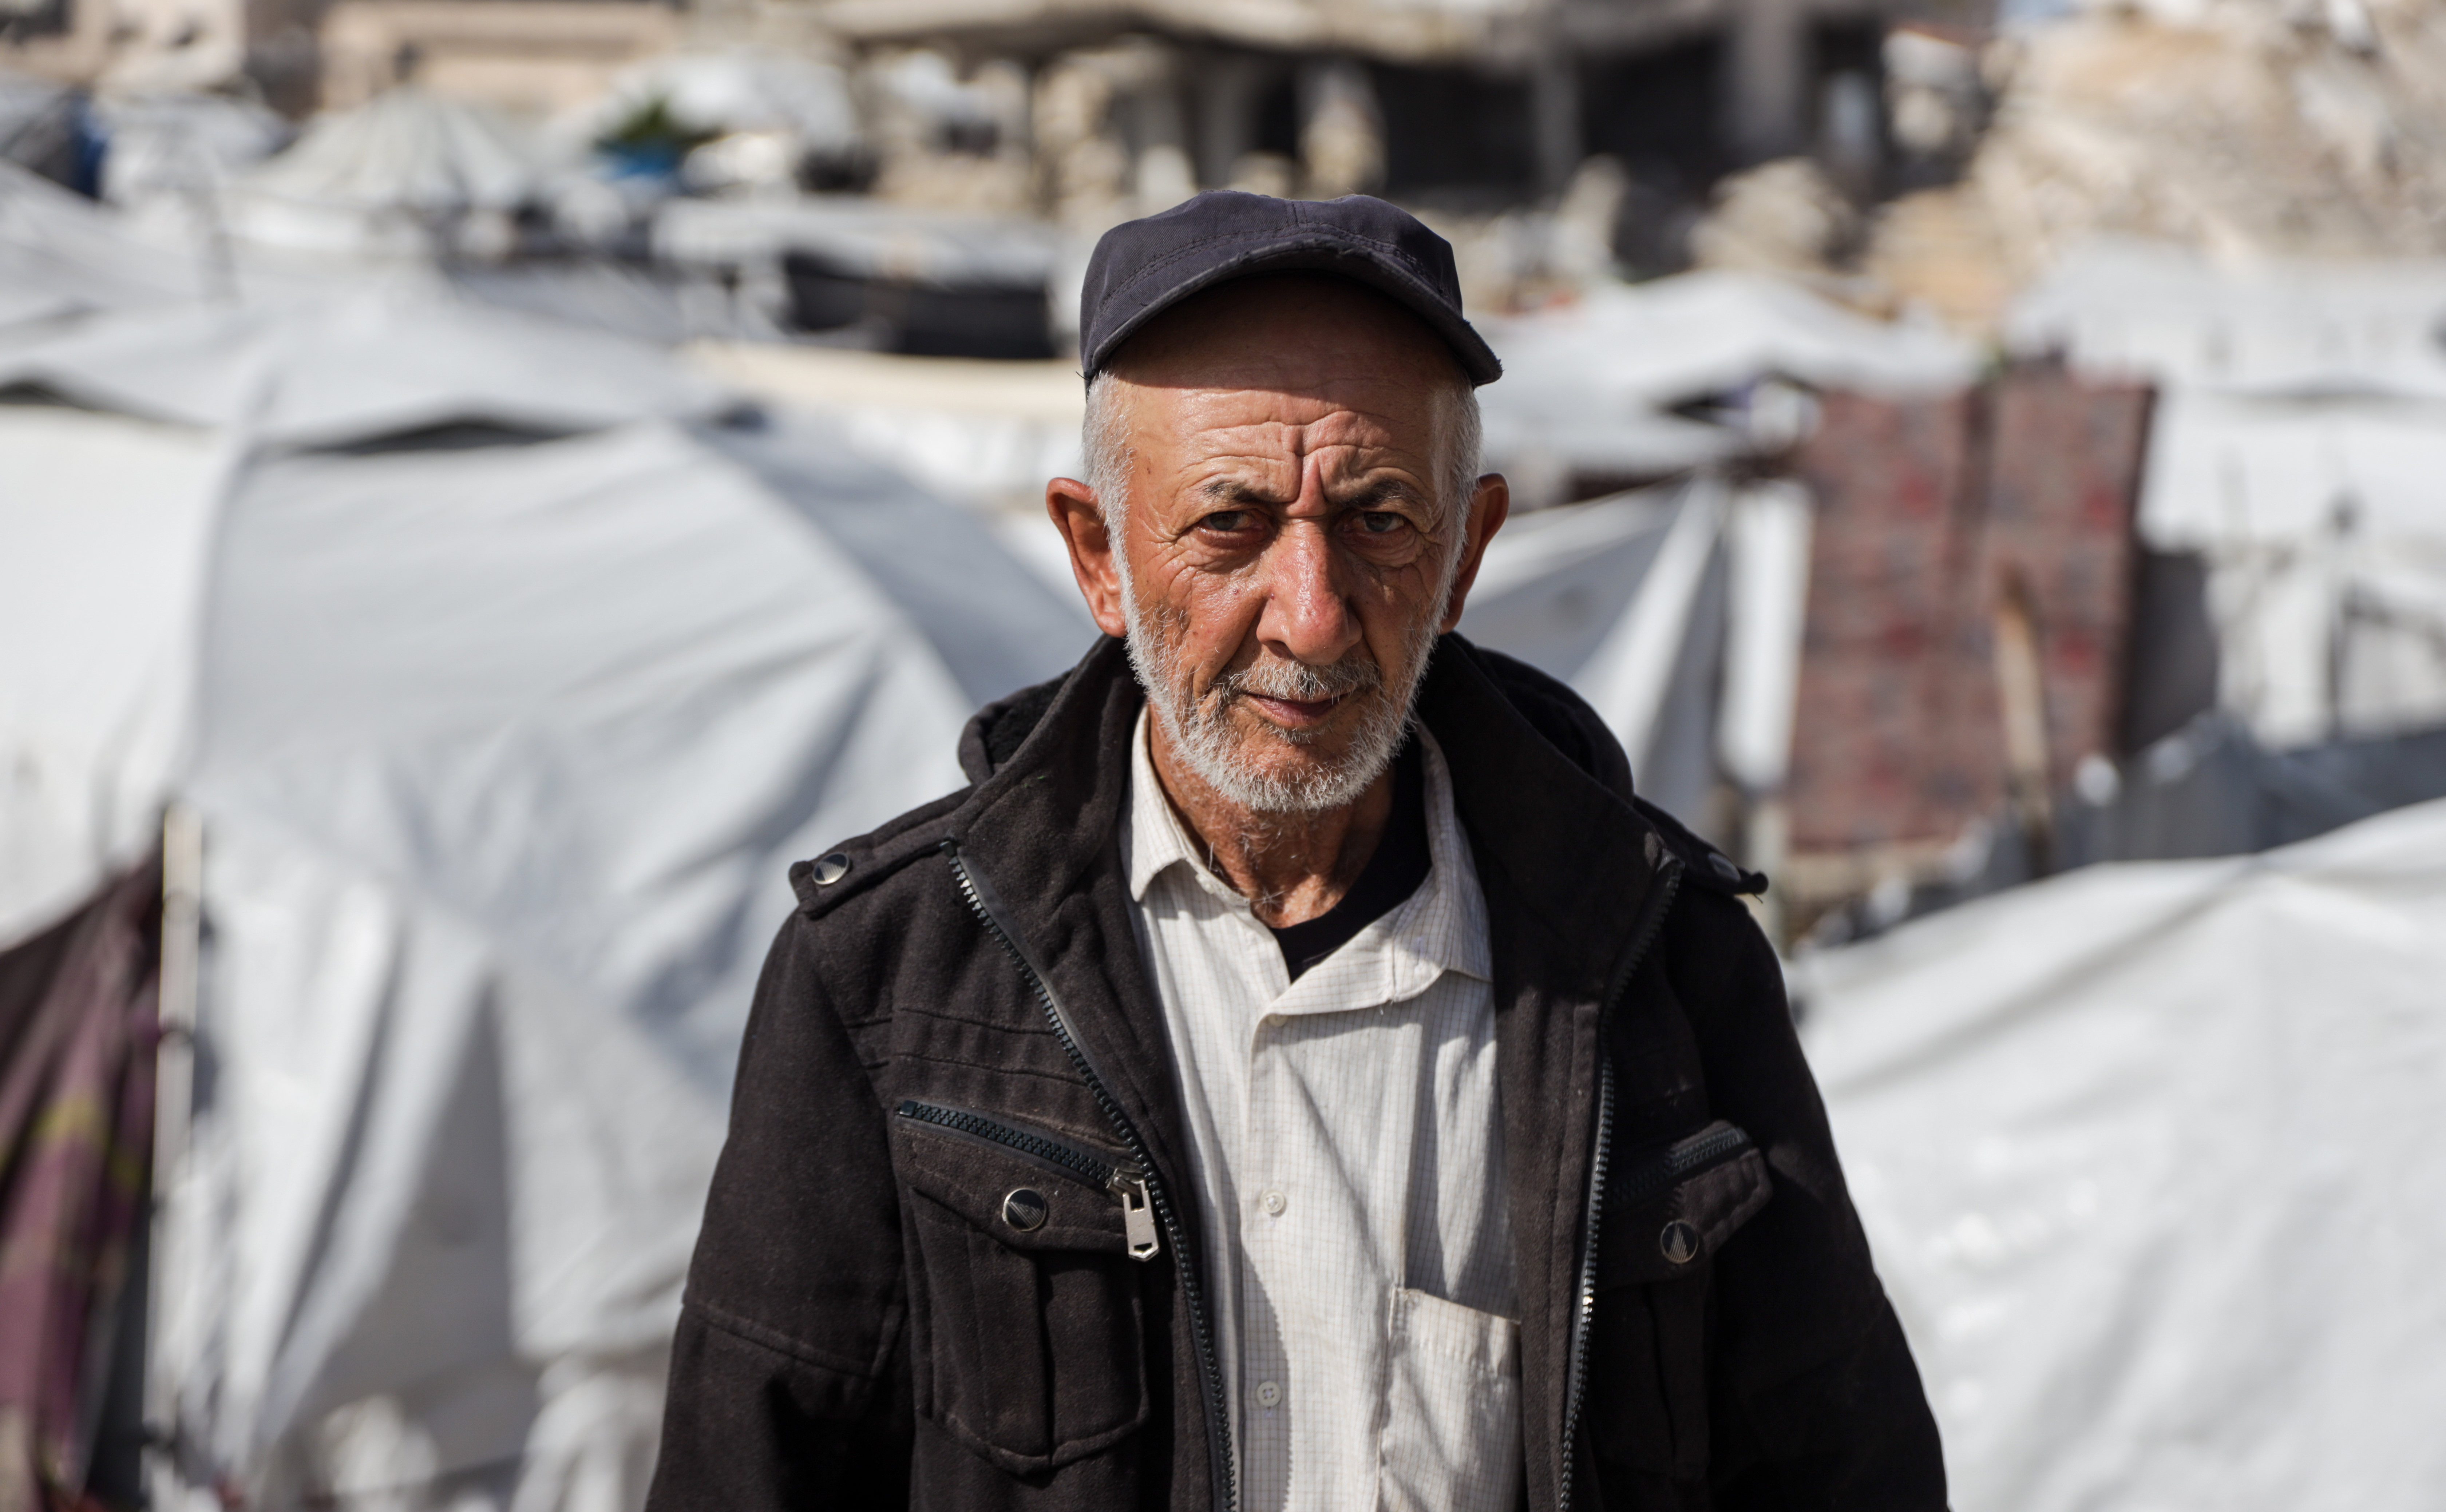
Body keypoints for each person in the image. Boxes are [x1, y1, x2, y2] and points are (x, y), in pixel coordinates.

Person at [644, 192, 1946, 1512]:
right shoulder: (890, 977)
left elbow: (1842, 1468)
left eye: (1380, 521)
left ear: (1466, 555)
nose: (1314, 620)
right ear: (1099, 557)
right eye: (1229, 524)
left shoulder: (1658, 964)